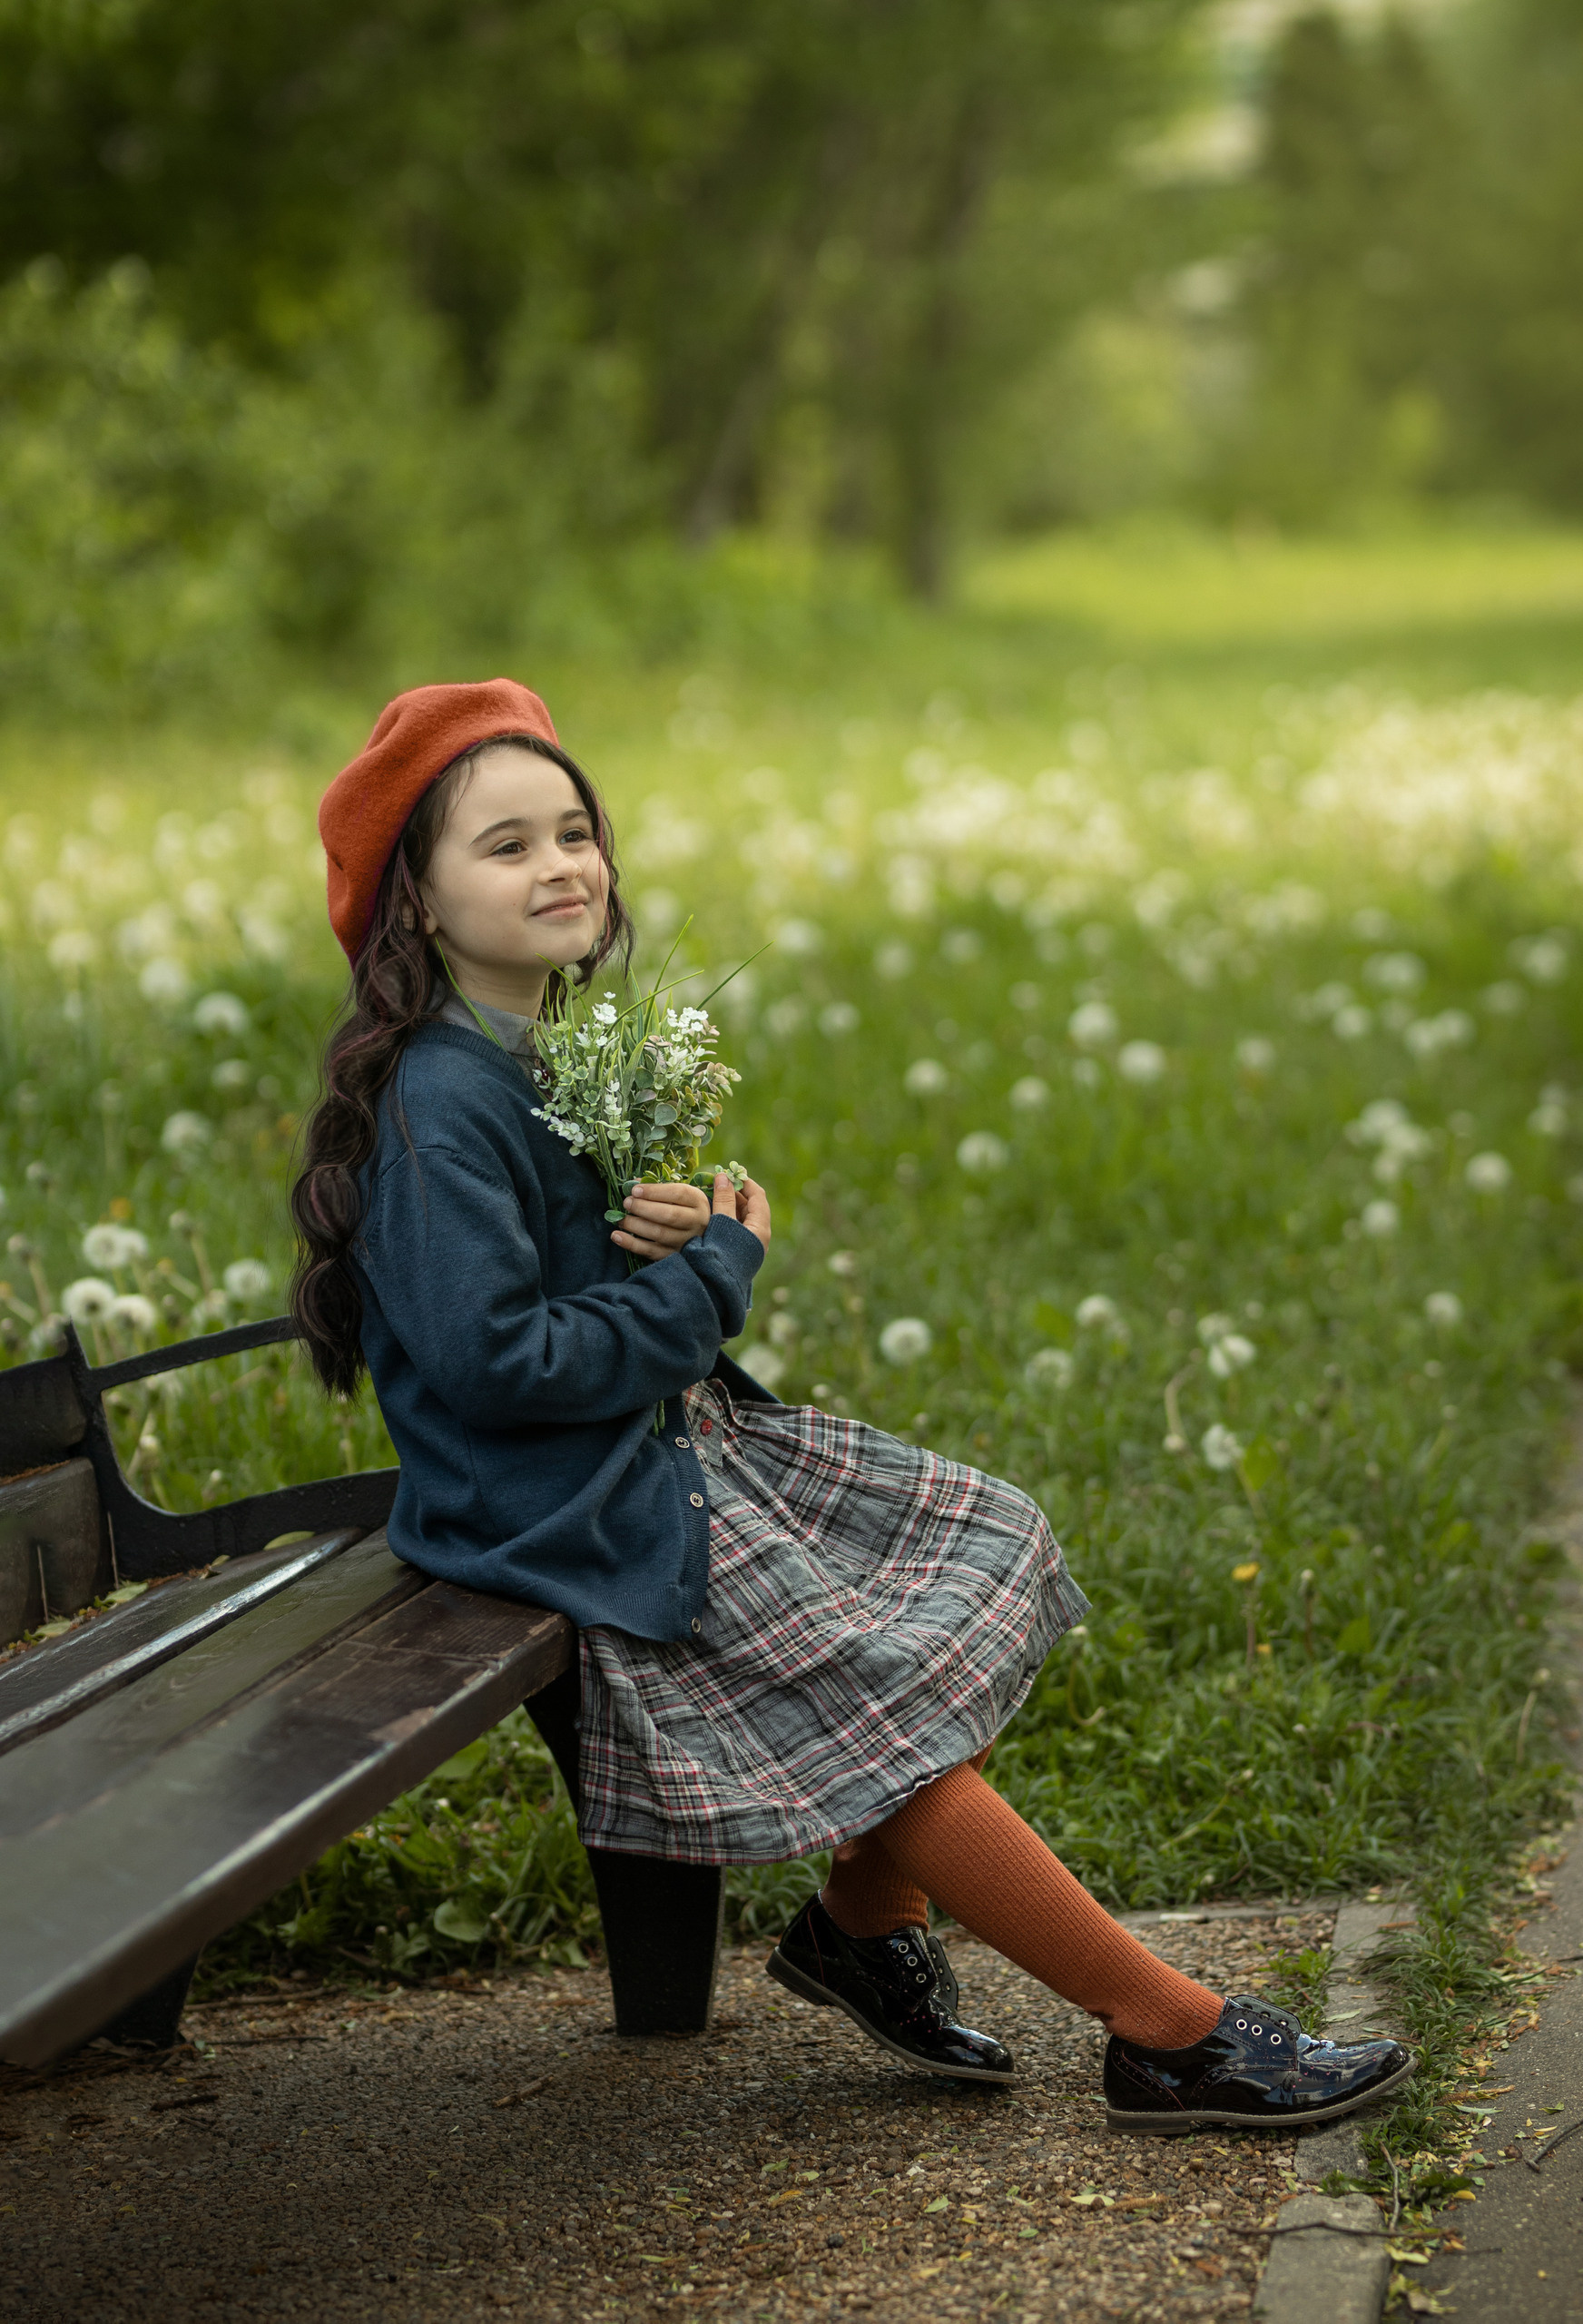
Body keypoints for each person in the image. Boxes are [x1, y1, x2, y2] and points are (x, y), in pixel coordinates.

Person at [290, 678, 1412, 2135]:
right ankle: (1169, 2034)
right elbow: (500, 1366)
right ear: (416, 904)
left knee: (985, 1543)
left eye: (575, 832)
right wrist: (712, 1281)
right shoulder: (444, 1103)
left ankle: (859, 1930)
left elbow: (557, 1280)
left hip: (653, 1446)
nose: (561, 865)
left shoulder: (538, 1050)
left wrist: (667, 1226)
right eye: (505, 847)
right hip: (558, 1506)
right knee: (886, 1723)